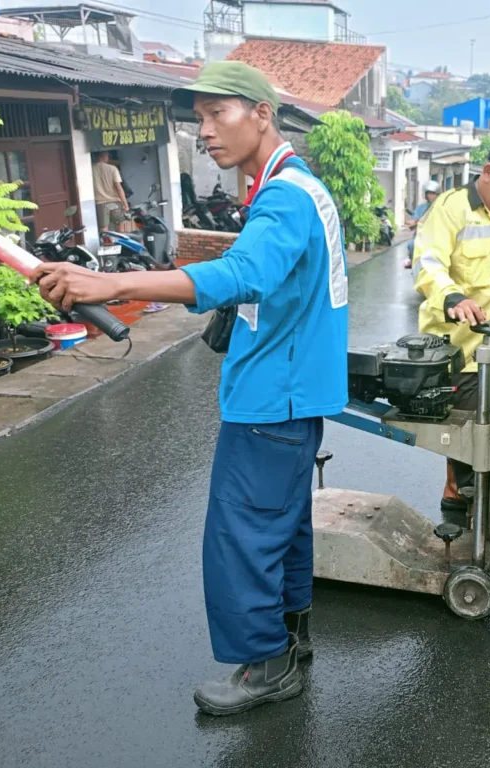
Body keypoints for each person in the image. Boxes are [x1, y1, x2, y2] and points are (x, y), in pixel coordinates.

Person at [31, 61, 349, 715]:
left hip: (273, 392)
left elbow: (244, 272)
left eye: (218, 113)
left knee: (243, 533)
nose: (204, 130)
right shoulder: (301, 186)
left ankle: (266, 665)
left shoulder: (285, 194)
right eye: (198, 118)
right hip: (295, 389)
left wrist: (112, 284)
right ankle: (292, 638)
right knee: (283, 525)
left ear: (262, 113)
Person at [412, 139, 490, 514]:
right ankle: (473, 501)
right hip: (455, 349)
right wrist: (452, 296)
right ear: (487, 172)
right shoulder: (451, 209)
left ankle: (459, 494)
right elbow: (427, 262)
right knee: (470, 433)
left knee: (484, 428)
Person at [404, 180, 441, 270]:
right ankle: (413, 262)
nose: (430, 196)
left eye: (433, 193)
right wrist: (411, 223)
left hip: (438, 236)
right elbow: (414, 219)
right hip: (422, 236)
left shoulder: (442, 207)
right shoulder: (421, 208)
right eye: (428, 193)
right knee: (411, 245)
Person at [93, 151, 129, 231]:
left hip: (100, 203)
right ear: (103, 156)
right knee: (119, 225)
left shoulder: (91, 169)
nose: (109, 158)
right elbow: (118, 188)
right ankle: (121, 243)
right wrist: (125, 204)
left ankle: (105, 242)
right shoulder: (112, 169)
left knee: (104, 228)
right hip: (115, 202)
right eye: (108, 155)